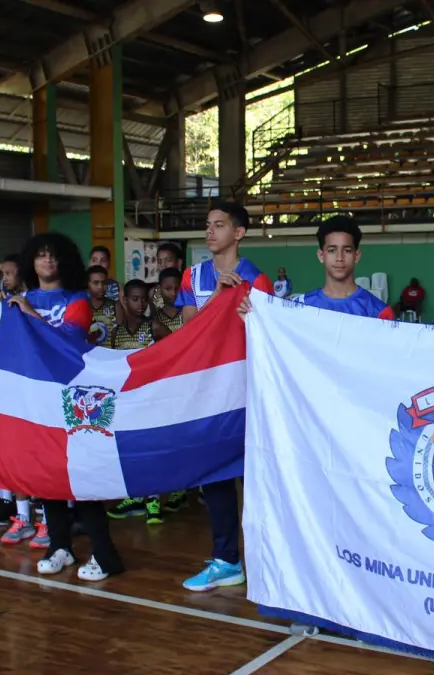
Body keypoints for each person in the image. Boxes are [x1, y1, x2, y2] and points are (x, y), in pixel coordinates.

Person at [0, 232, 122, 582]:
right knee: (46, 478)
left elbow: (65, 344)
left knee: (82, 481)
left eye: (54, 256)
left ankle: (104, 554)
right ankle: (59, 545)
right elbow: (12, 350)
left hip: (73, 401)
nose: (47, 261)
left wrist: (28, 312)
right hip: (37, 401)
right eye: (41, 256)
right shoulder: (17, 300)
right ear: (30, 262)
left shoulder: (77, 300)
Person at [178, 202, 273, 592]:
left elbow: (267, 337)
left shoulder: (258, 280)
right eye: (207, 225)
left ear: (239, 233)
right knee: (214, 476)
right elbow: (187, 333)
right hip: (205, 391)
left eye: (219, 225)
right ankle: (227, 560)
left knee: (256, 478)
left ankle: (269, 560)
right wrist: (218, 297)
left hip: (246, 391)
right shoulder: (193, 276)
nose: (210, 232)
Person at [106, 279, 171, 524]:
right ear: (124, 300)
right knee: (131, 450)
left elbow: (176, 351)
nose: (140, 303)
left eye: (144, 299)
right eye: (135, 298)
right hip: (126, 400)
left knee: (151, 450)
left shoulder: (154, 326)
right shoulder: (116, 333)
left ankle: (153, 501)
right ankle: (134, 496)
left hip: (150, 399)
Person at [85, 265, 121, 346]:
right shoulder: (82, 307)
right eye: (96, 283)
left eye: (104, 283)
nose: (101, 287)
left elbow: (121, 337)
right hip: (87, 355)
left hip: (110, 356)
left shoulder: (115, 306)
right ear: (87, 284)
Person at [152, 268, 185, 334]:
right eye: (168, 289)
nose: (173, 293)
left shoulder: (187, 313)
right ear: (159, 288)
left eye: (177, 288)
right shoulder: (156, 318)